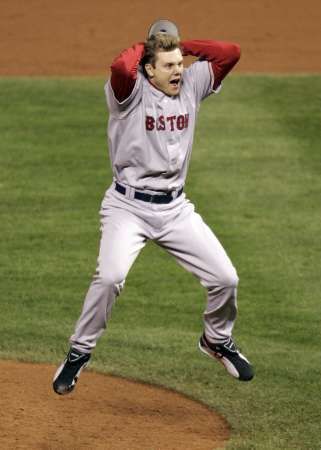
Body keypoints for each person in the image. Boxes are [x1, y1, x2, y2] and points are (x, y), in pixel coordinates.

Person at [53, 19, 254, 395]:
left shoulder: (192, 83)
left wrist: (179, 47)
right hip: (127, 207)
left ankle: (216, 340)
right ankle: (79, 354)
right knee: (110, 278)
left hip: (175, 209)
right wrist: (148, 47)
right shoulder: (128, 91)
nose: (178, 71)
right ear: (147, 67)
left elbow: (230, 53)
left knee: (226, 279)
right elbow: (118, 66)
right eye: (168, 65)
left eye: (181, 63)